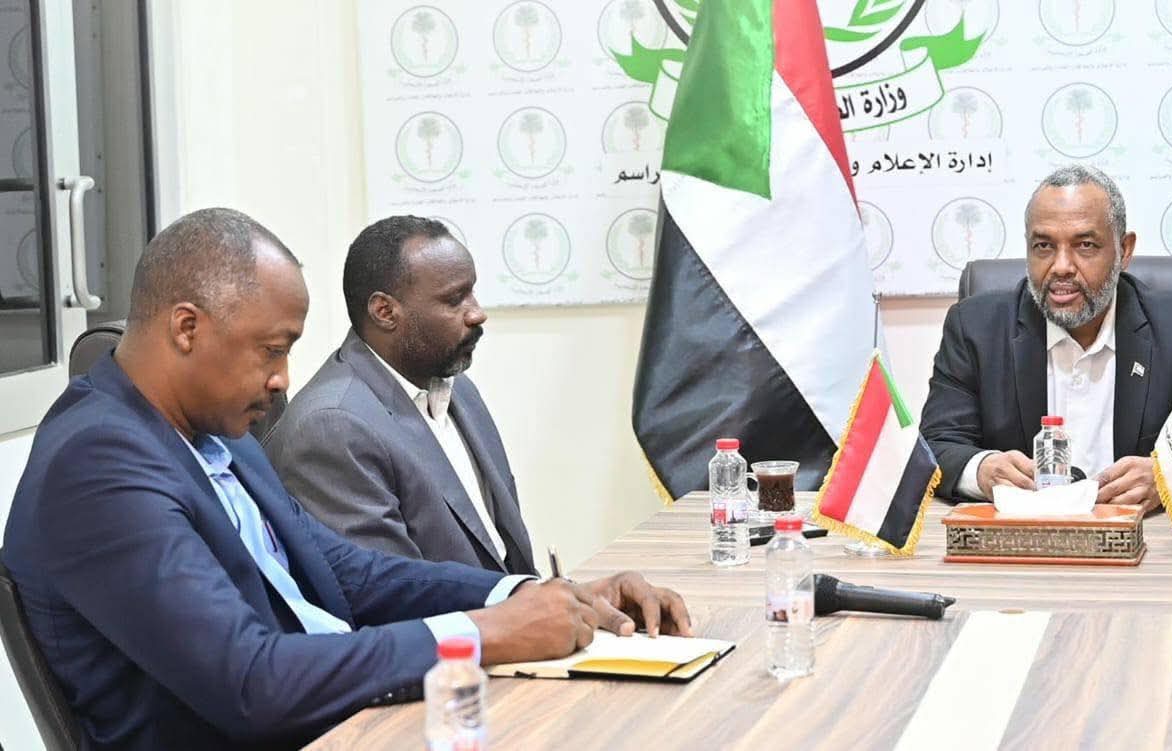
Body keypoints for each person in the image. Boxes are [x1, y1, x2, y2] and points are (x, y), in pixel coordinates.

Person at [2, 208, 691, 750]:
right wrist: (484, 635)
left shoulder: (213, 430)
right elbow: (252, 683)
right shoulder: (98, 464)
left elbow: (343, 571)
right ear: (187, 327)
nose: (283, 379)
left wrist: (530, 594)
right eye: (272, 350)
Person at [919, 165, 1172, 510]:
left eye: (1085, 245)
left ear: (1124, 250)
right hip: (1021, 535)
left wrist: (1169, 476)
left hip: (1142, 534)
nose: (1061, 266)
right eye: (1044, 246)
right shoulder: (975, 328)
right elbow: (936, 444)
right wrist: (982, 469)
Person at [263, 216, 531, 573]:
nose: (477, 313)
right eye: (454, 300)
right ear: (385, 312)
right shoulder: (331, 428)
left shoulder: (458, 389)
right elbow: (394, 591)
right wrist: (527, 599)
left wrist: (567, 595)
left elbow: (502, 551)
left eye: (472, 292)